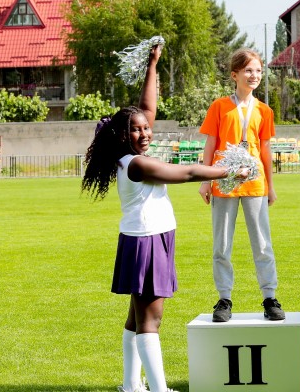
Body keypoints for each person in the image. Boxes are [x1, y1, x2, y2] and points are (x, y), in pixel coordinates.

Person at [82, 46, 231, 392]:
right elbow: (190, 172)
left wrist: (153, 65)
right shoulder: (137, 165)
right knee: (152, 319)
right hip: (147, 241)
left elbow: (146, 108)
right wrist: (229, 169)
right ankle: (159, 390)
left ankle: (131, 386)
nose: (145, 133)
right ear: (123, 136)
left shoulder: (130, 153)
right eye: (136, 131)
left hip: (147, 237)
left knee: (136, 318)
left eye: (147, 128)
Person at [198, 49, 285, 322]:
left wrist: (270, 185)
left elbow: (266, 150)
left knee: (262, 244)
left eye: (258, 70)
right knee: (221, 244)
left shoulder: (264, 111)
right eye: (248, 70)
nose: (254, 75)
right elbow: (211, 144)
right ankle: (224, 299)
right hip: (224, 184)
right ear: (234, 75)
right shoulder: (219, 106)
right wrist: (205, 180)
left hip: (255, 185)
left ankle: (269, 297)